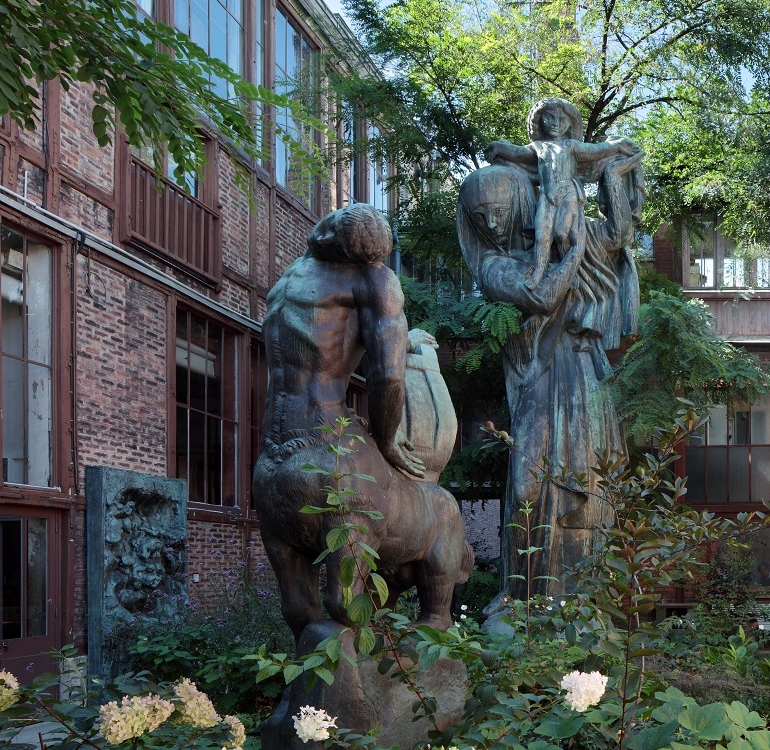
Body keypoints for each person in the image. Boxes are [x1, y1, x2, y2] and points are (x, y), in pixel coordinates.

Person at [252, 203, 472, 640]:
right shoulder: (374, 279)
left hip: (272, 455)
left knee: (297, 602)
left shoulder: (290, 280)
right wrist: (387, 440)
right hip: (326, 441)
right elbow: (387, 375)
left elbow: (326, 336)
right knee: (342, 590)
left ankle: (322, 687)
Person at [458, 142, 642, 607]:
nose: (492, 221)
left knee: (591, 485)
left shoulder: (567, 234)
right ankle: (523, 598)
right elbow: (542, 296)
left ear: (520, 203)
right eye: (482, 215)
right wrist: (575, 251)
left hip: (582, 370)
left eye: (499, 210)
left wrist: (615, 178)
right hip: (538, 378)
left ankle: (580, 601)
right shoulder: (494, 267)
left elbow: (618, 234)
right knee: (527, 486)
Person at [484, 97, 636, 290]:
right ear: (540, 121)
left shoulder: (572, 146)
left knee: (561, 232)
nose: (555, 123)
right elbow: (517, 153)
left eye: (561, 119)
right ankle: (538, 272)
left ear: (569, 124)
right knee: (541, 235)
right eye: (549, 118)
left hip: (567, 193)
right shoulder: (538, 147)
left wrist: (618, 146)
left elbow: (598, 150)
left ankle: (570, 273)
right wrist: (499, 147)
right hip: (547, 197)